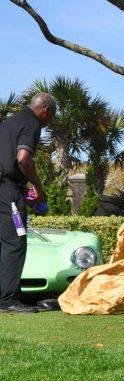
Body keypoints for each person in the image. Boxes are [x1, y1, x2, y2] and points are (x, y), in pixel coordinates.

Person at [0, 93, 56, 313]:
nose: (49, 121)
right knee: (15, 241)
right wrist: (38, 188)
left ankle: (4, 296)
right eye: (51, 116)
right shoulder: (32, 123)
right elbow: (23, 158)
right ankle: (9, 301)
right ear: (46, 110)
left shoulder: (8, 123)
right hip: (7, 190)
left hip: (4, 186)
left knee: (3, 242)